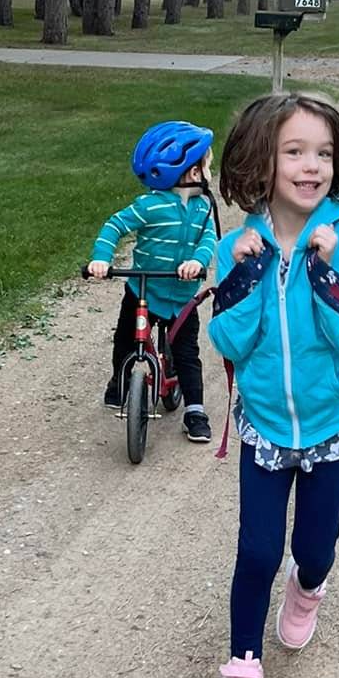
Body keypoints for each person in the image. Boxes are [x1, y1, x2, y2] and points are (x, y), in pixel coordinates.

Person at [207, 92, 339, 678]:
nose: (313, 167)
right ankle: (244, 666)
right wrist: (247, 277)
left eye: (324, 154)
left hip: (333, 424)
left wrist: (328, 274)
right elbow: (228, 342)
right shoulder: (237, 247)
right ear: (262, 161)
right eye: (295, 152)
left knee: (315, 547)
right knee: (256, 552)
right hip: (268, 429)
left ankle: (309, 590)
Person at [86, 121, 218, 444]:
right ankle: (120, 380)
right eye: (206, 163)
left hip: (182, 294)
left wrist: (197, 262)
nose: (209, 168)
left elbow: (209, 238)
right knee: (125, 340)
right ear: (190, 172)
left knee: (187, 353)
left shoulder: (203, 207)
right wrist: (101, 258)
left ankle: (195, 411)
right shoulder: (150, 205)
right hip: (144, 289)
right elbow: (115, 225)